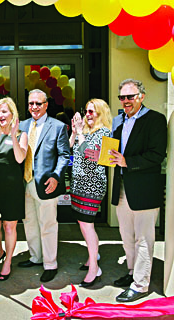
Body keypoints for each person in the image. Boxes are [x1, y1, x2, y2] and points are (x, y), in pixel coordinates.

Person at [110, 79, 167, 302]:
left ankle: (141, 285)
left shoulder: (155, 120)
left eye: (130, 97)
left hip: (144, 190)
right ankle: (133, 272)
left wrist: (127, 162)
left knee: (144, 239)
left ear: (141, 97)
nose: (125, 101)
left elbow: (157, 155)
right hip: (122, 188)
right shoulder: (117, 121)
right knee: (126, 237)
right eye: (122, 97)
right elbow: (113, 152)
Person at [18, 89, 70, 282]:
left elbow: (64, 155)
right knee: (29, 222)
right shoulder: (22, 125)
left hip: (47, 184)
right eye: (31, 103)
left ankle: (50, 263)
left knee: (47, 224)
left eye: (38, 104)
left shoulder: (57, 126)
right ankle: (36, 257)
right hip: (24, 183)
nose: (34, 107)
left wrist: (56, 176)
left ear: (46, 105)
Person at [0, 97, 28, 281]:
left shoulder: (21, 135)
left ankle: (8, 261)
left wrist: (12, 137)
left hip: (13, 189)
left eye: (5, 112)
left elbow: (19, 159)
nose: (1, 115)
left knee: (10, 227)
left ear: (12, 115)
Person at [69, 99, 112, 287]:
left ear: (101, 113)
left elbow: (89, 154)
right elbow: (71, 147)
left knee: (87, 225)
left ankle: (94, 267)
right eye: (86, 111)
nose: (87, 115)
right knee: (84, 224)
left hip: (92, 185)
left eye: (91, 112)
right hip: (78, 184)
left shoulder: (105, 132)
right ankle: (92, 256)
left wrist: (79, 132)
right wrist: (74, 131)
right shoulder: (84, 131)